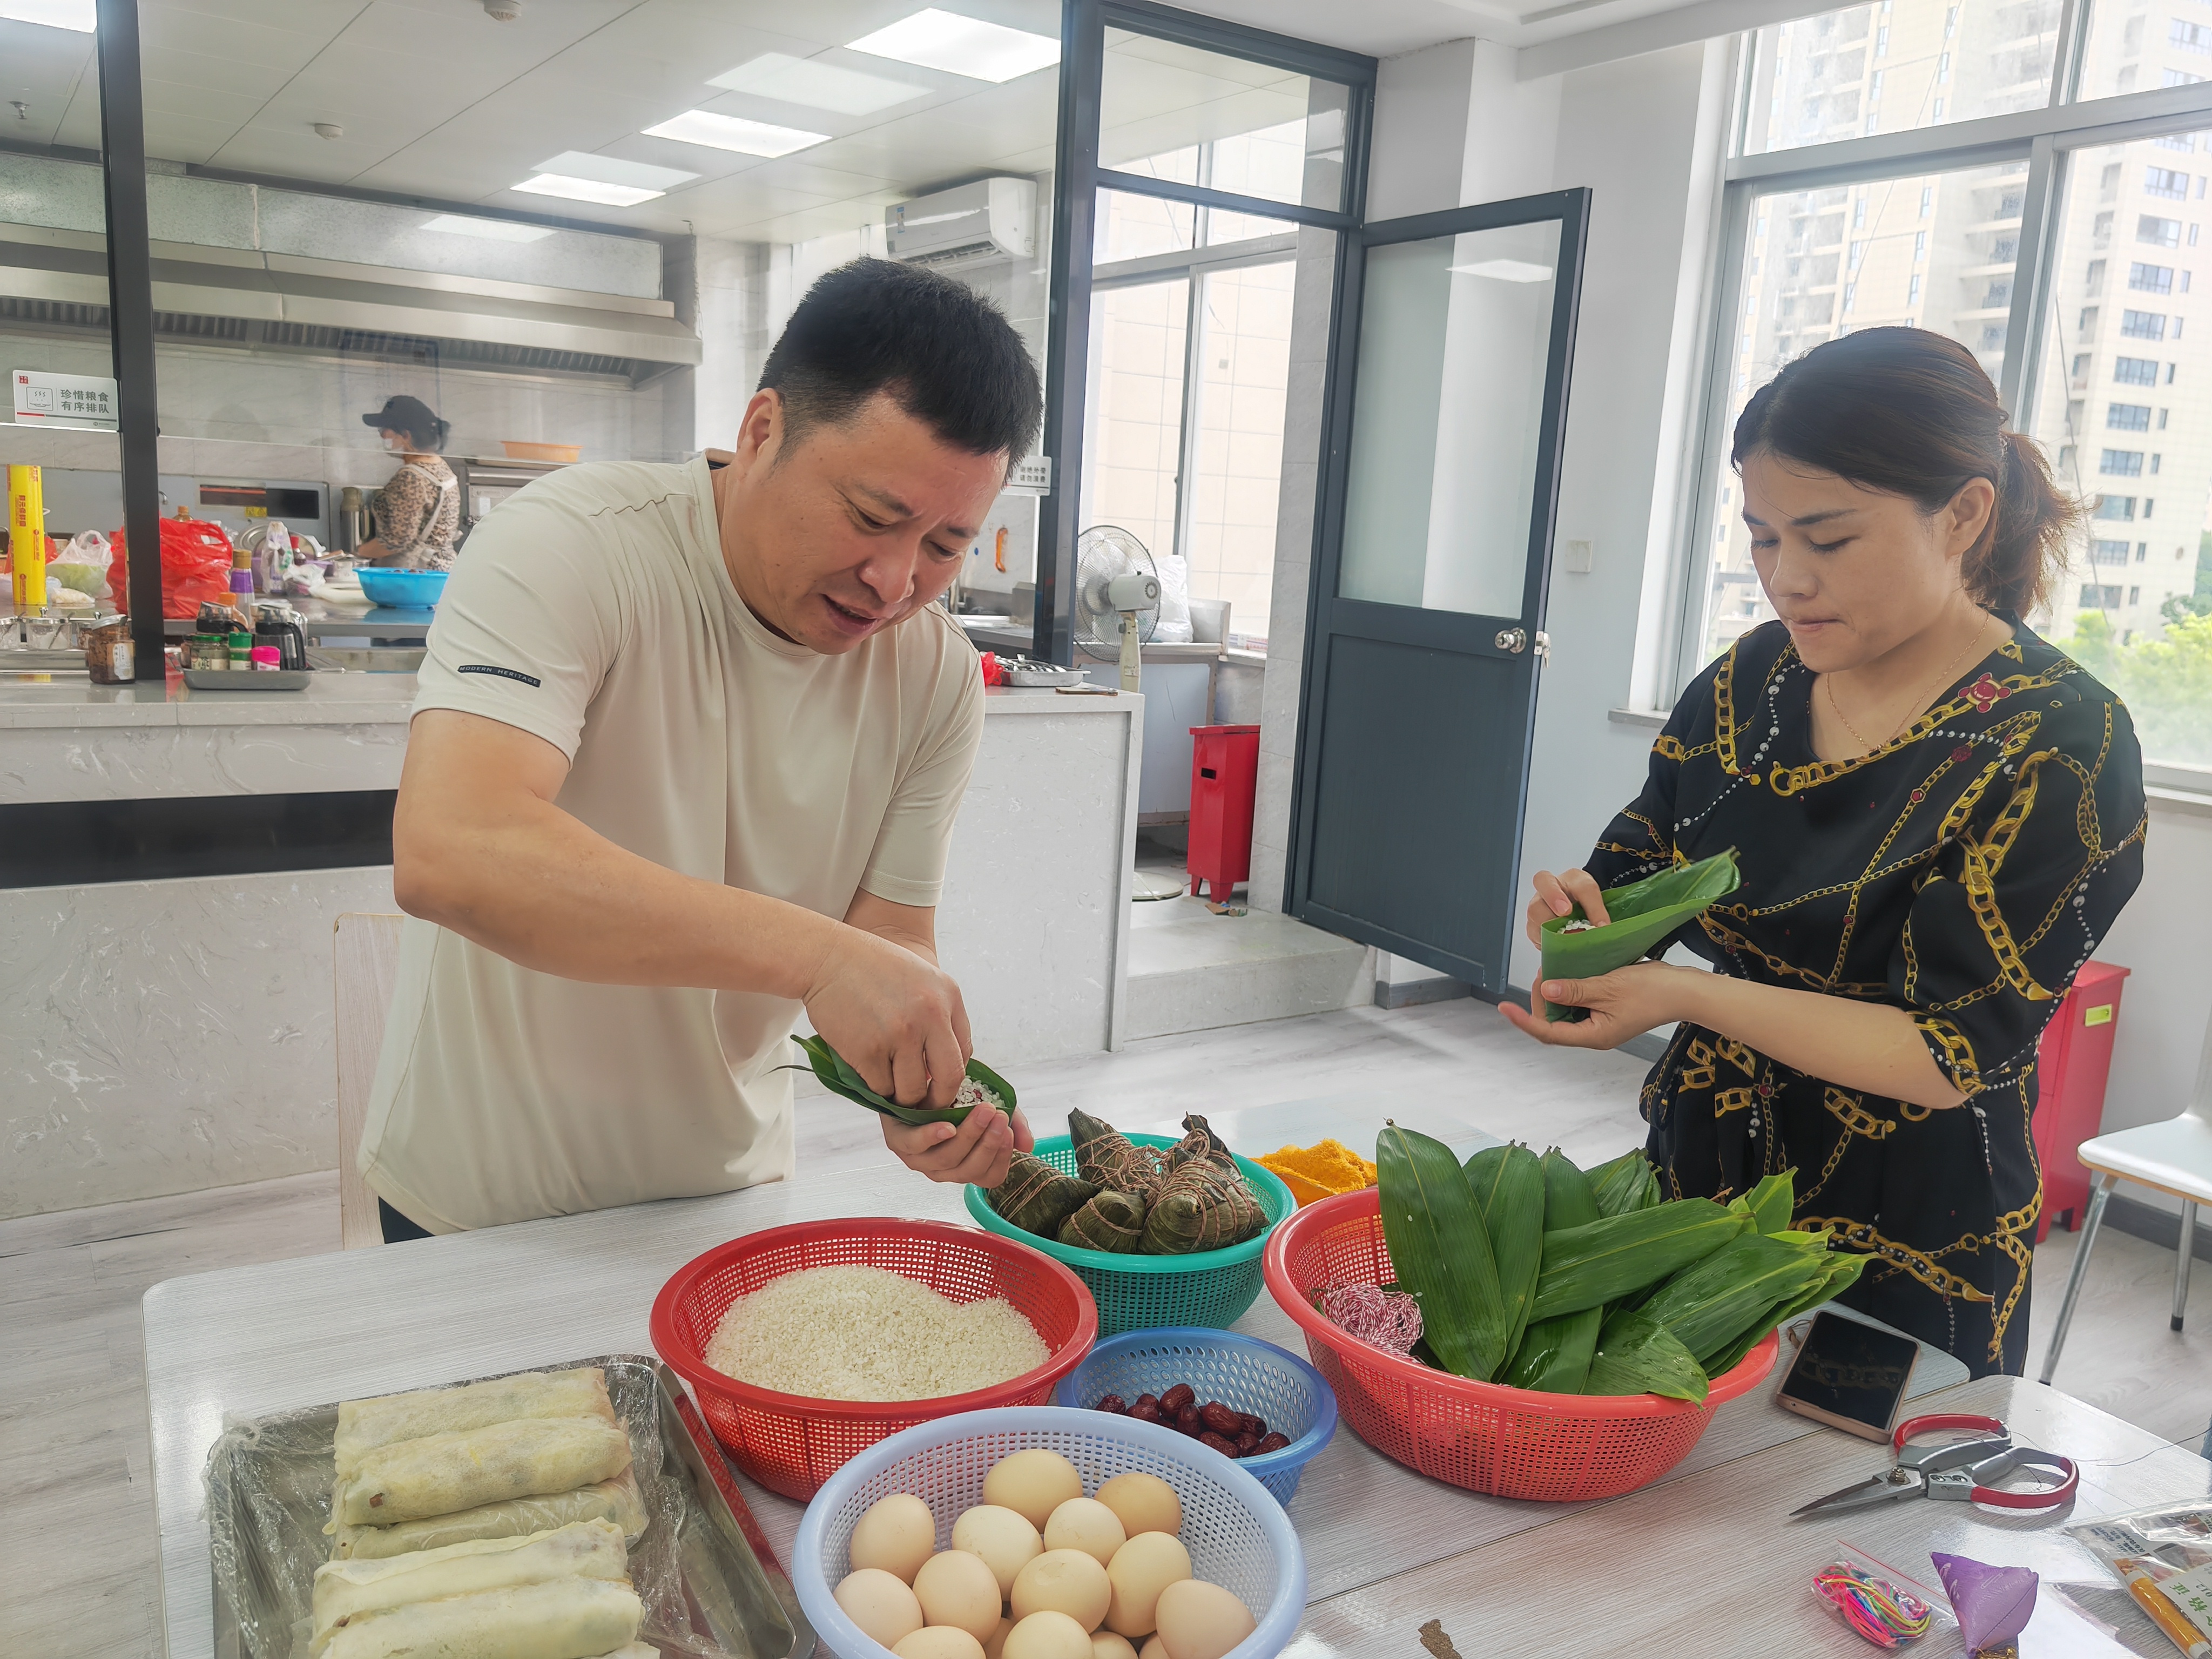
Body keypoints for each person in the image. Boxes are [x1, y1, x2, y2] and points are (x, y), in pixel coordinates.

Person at [1505, 328, 2147, 1377]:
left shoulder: (2059, 745)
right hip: (1703, 1167)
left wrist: (1683, 995)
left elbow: (1947, 1053)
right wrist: (1583, 923)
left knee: (1836, 1470)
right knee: (1664, 1442)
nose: (1785, 580)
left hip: (1905, 1222)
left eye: (1829, 540)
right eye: (1762, 539)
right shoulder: (1753, 679)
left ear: (1963, 515)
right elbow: (1643, 860)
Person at [358, 260, 1040, 1240]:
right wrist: (823, 961)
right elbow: (454, 847)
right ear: (761, 432)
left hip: (729, 1197)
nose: (895, 581)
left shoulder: (934, 674)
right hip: (479, 1202)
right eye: (872, 517)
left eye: (945, 546)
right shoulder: (575, 544)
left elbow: (888, 933)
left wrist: (913, 1078)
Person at [357, 394, 461, 570]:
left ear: (406, 435)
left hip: (415, 574)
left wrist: (355, 553)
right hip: (443, 570)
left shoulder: (411, 477)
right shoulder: (440, 466)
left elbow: (396, 540)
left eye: (385, 430)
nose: (383, 436)